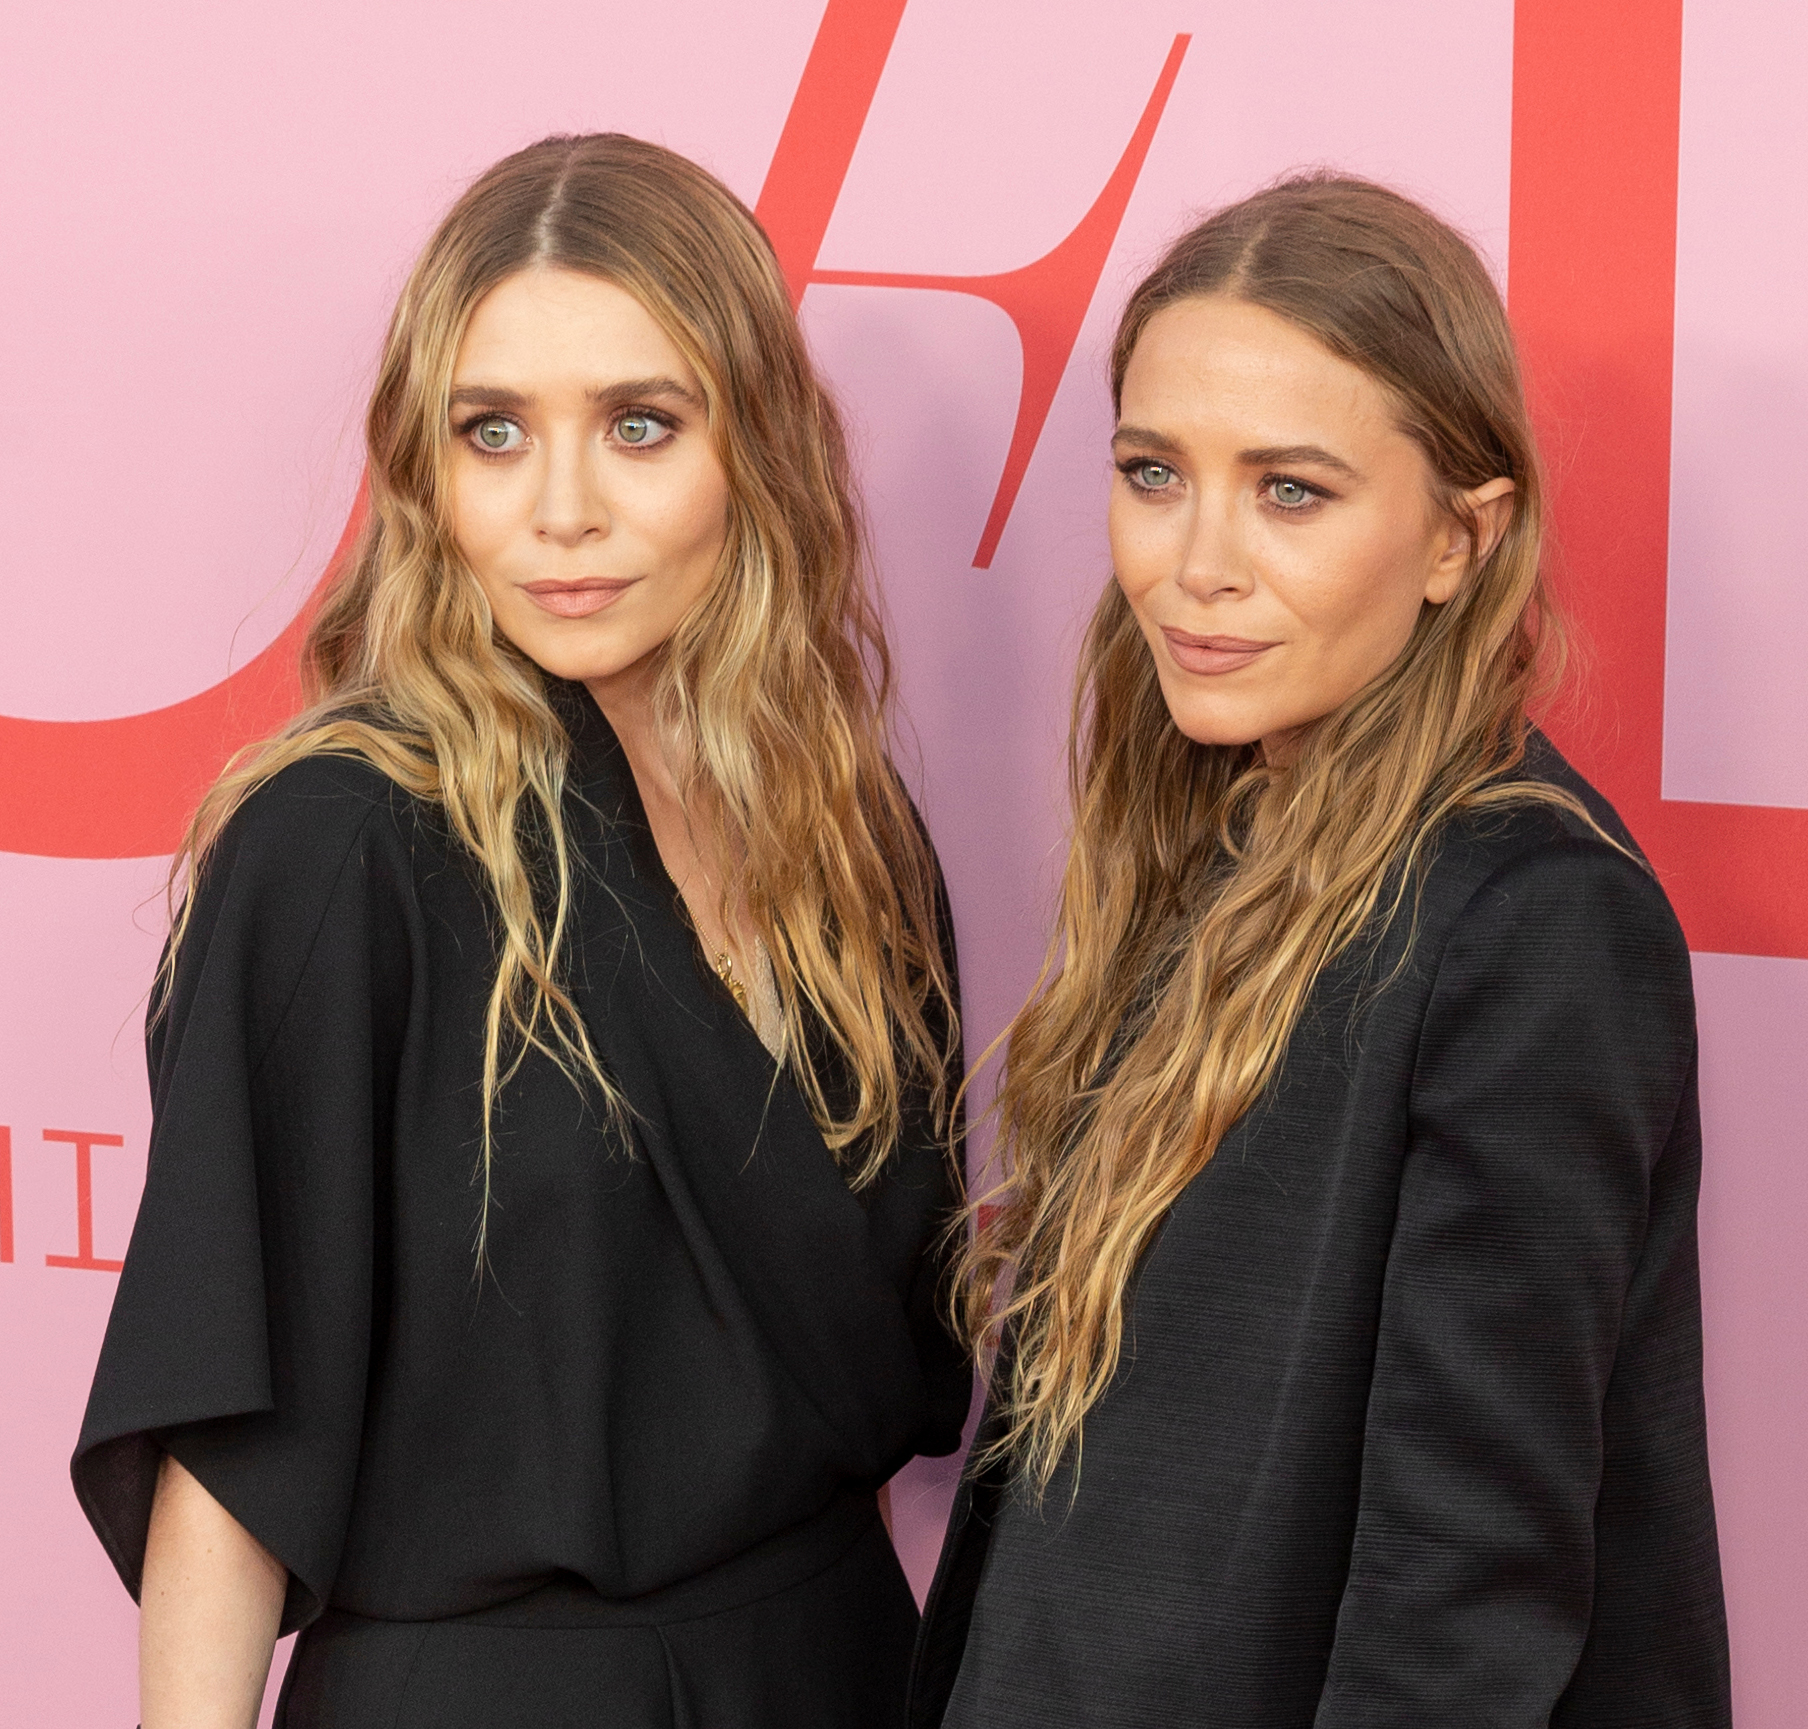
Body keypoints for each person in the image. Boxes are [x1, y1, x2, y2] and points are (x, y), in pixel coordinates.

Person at [73, 132, 969, 1729]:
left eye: (639, 424)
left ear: (752, 446)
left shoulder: (852, 834)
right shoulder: (344, 841)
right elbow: (230, 1418)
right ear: (429, 471)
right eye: (495, 433)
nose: (561, 511)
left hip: (834, 1666)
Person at [910, 175, 1729, 1729]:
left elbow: (1463, 1583)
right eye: (1154, 473)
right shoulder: (1216, 838)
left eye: (1291, 490)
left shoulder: (1532, 915)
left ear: (1458, 540)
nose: (1194, 562)